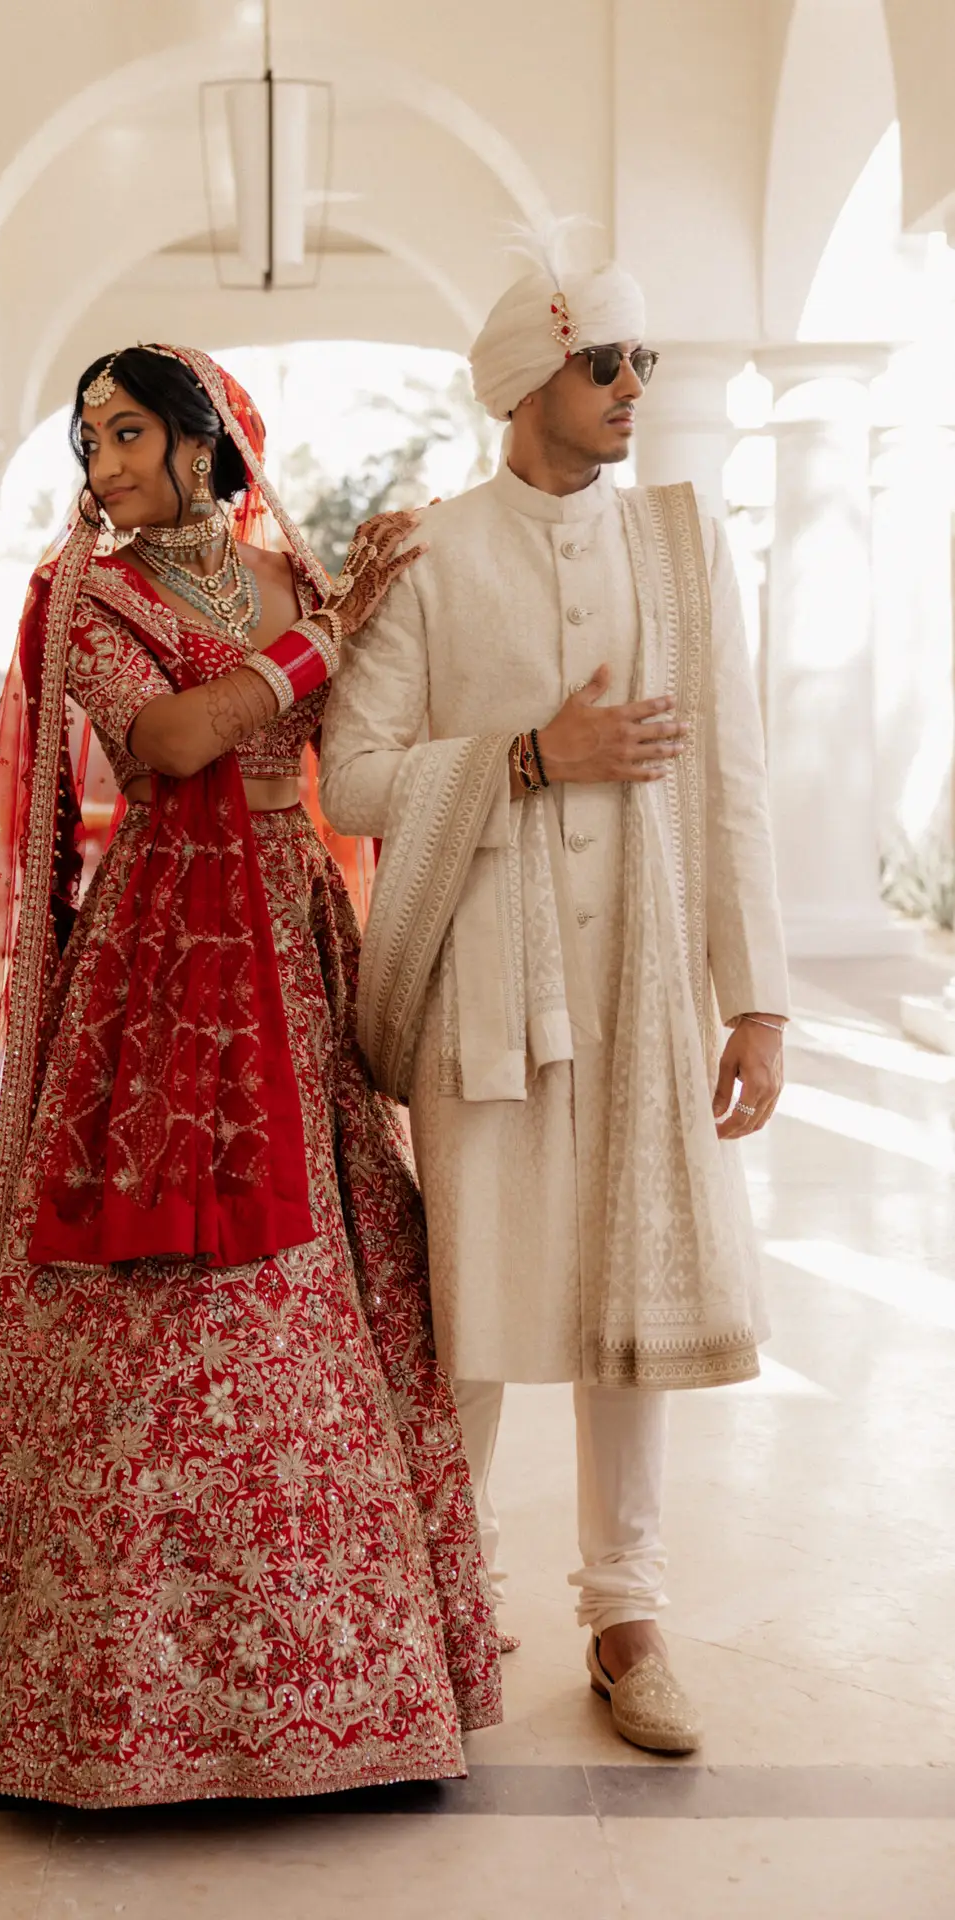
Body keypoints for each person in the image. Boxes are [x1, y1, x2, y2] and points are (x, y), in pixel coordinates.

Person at [0, 345, 501, 1805]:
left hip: (293, 956)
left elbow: (359, 737)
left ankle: (354, 1683)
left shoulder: (292, 585)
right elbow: (170, 736)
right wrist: (337, 639)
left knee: (338, 1257)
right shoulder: (87, 594)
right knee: (149, 1297)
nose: (106, 463)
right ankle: (104, 1690)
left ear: (206, 445)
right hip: (167, 978)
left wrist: (393, 619)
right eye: (92, 437)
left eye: (130, 433)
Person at [319, 227, 790, 1756]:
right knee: (478, 1307)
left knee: (627, 1302)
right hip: (485, 985)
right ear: (528, 382)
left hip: (643, 976)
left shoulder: (680, 540)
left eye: (644, 360)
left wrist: (758, 998)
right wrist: (532, 757)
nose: (633, 386)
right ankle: (441, 1615)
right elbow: (357, 772)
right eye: (605, 363)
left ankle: (627, 1616)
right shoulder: (434, 551)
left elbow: (730, 776)